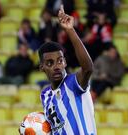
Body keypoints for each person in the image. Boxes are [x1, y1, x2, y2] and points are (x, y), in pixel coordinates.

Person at [39, 5, 96, 134]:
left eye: (60, 60)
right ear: (42, 67)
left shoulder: (74, 83)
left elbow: (88, 69)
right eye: (50, 63)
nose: (56, 66)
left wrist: (70, 30)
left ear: (65, 62)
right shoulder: (45, 95)